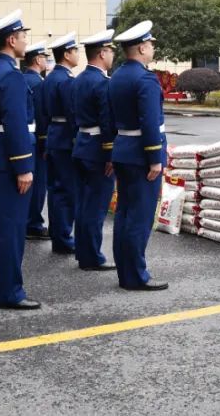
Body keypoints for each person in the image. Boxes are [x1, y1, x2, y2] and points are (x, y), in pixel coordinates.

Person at [0, 10, 41, 310]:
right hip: (8, 157)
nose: (26, 41)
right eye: (23, 36)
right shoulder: (11, 75)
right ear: (11, 40)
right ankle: (8, 292)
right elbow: (15, 122)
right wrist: (23, 166)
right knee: (10, 229)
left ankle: (2, 288)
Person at [109, 20, 168, 291]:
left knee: (124, 214)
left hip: (123, 150)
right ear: (142, 47)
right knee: (140, 216)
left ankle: (125, 271)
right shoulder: (144, 78)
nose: (152, 49)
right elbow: (150, 121)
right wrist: (155, 158)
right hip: (141, 156)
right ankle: (135, 275)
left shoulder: (118, 75)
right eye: (151, 45)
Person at [72, 29, 118, 272]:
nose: (112, 55)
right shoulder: (102, 83)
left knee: (82, 204)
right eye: (110, 51)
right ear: (101, 53)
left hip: (81, 145)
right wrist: (110, 154)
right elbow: (107, 121)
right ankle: (91, 257)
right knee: (96, 207)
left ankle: (83, 252)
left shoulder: (78, 79)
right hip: (98, 150)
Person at [43, 32, 80, 255]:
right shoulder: (66, 81)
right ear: (66, 54)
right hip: (66, 139)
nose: (77, 55)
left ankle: (57, 234)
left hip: (53, 136)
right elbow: (72, 113)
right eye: (75, 51)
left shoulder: (49, 79)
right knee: (67, 192)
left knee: (56, 190)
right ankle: (63, 238)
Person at [21, 42, 51, 240]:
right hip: (35, 138)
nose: (47, 62)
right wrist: (44, 142)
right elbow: (42, 115)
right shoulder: (39, 83)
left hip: (23, 137)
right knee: (38, 184)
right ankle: (34, 223)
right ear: (38, 60)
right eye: (45, 58)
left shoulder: (22, 79)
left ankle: (27, 220)